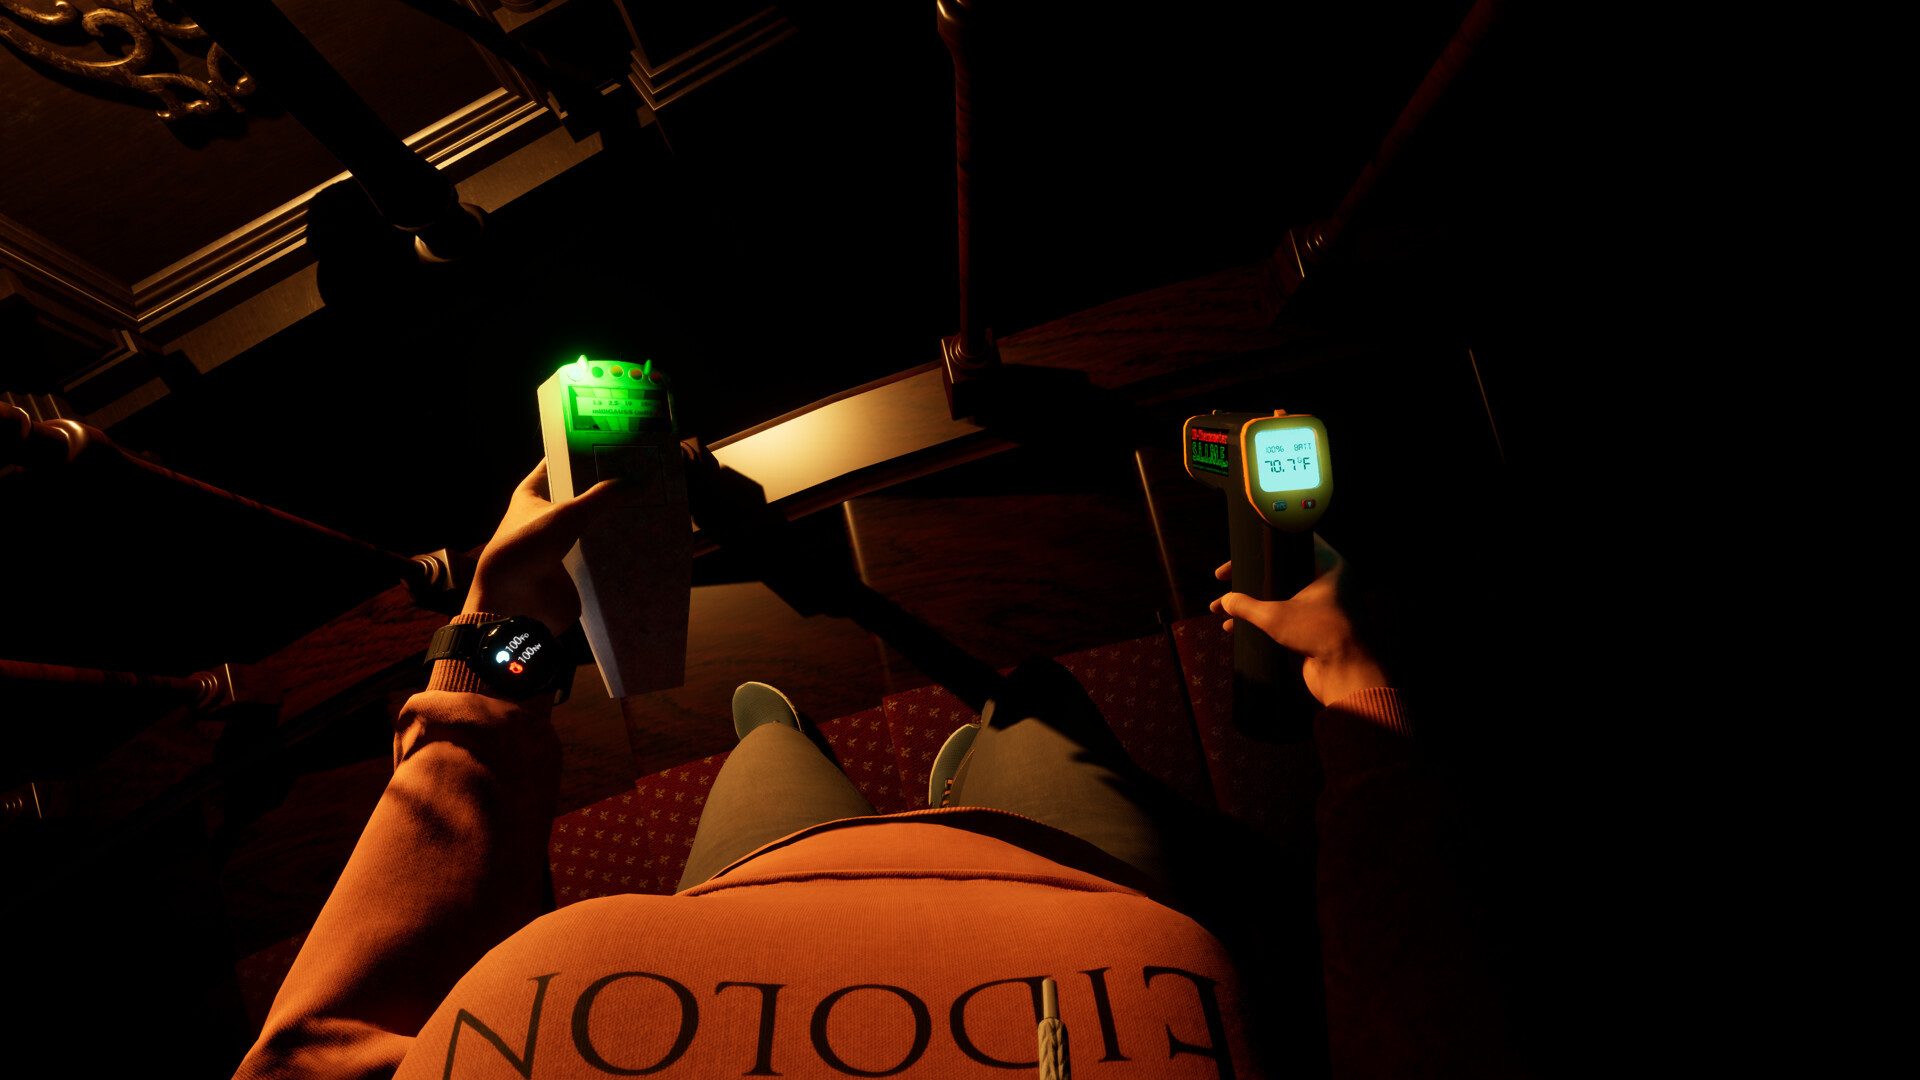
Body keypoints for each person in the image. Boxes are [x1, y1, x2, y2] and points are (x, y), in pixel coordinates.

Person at [232, 459, 1523, 1079]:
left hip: (762, 876)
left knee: (767, 748)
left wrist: (498, 645)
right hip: (1058, 873)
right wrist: (1360, 703)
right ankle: (977, 747)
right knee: (1038, 715)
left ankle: (798, 747)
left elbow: (315, 1050)